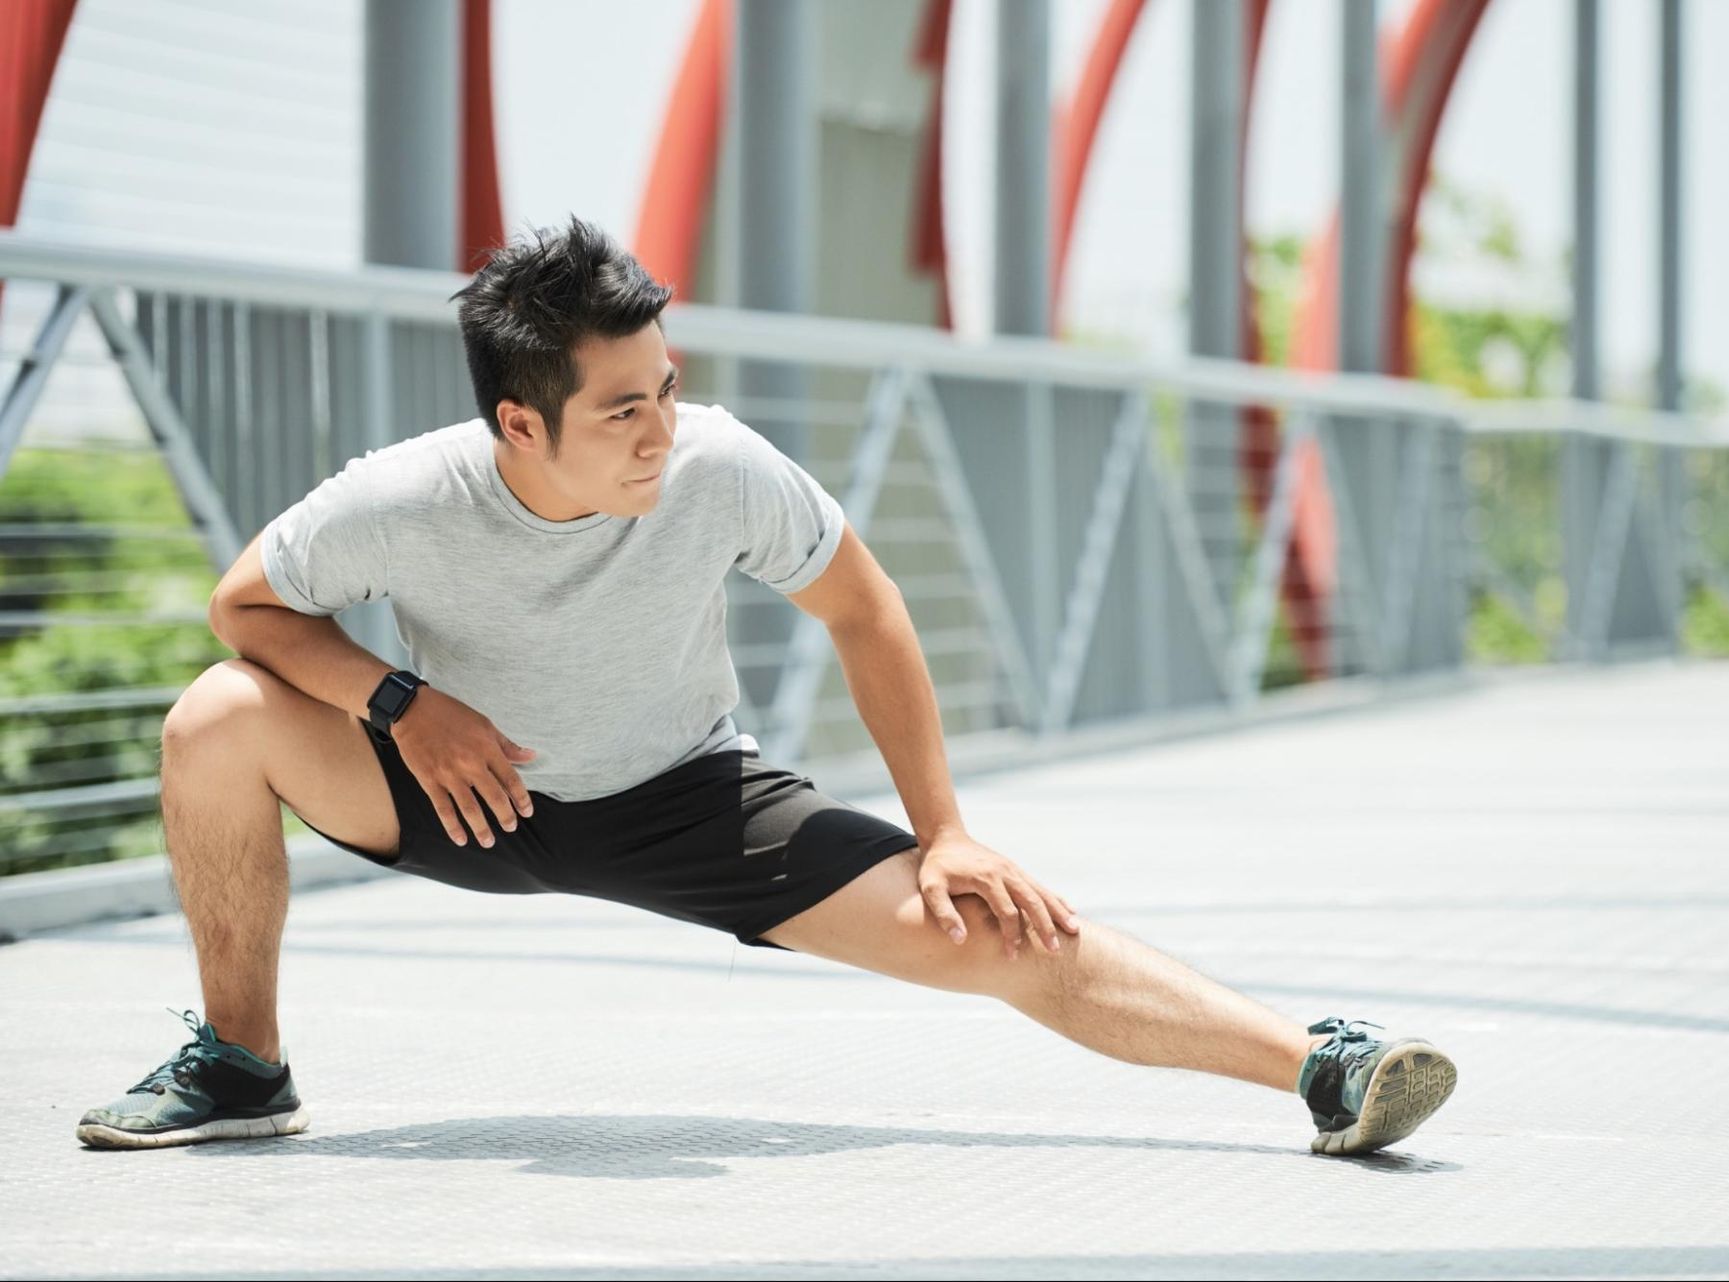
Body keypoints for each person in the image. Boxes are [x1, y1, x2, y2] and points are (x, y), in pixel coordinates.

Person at [76, 217, 1457, 1157]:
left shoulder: (719, 465)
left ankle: (1320, 1061)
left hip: (685, 797)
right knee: (212, 717)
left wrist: (947, 826)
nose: (661, 429)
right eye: (623, 408)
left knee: (991, 927)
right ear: (518, 422)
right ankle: (244, 1064)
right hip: (466, 788)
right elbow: (243, 603)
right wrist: (398, 704)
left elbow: (868, 609)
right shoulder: (407, 499)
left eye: (666, 387)